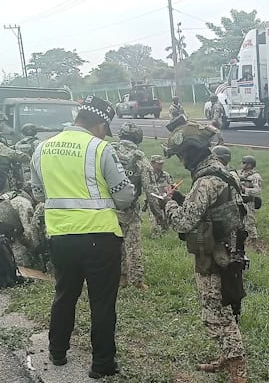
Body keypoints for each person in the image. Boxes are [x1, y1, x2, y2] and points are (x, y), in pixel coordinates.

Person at [30, 95, 134, 380]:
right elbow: (124, 196)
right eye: (105, 127)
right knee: (101, 302)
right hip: (100, 238)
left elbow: (39, 193)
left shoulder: (41, 148)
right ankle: (102, 364)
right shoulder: (100, 149)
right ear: (100, 123)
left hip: (61, 237)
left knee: (64, 294)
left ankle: (57, 351)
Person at [162, 122, 248, 383]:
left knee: (216, 314)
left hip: (216, 256)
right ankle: (227, 357)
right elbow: (207, 209)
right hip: (227, 251)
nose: (180, 159)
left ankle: (238, 369)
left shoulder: (206, 180)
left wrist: (167, 204)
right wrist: (182, 200)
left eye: (181, 154)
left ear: (192, 152)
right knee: (225, 308)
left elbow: (183, 223)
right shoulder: (220, 170)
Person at [112, 122, 149, 290]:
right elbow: (149, 187)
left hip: (109, 208)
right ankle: (137, 280)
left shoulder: (108, 151)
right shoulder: (140, 158)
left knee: (114, 245)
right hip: (130, 210)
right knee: (133, 246)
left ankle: (121, 277)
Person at [144, 155, 173, 238]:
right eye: (158, 164)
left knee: (165, 224)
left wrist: (169, 190)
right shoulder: (147, 176)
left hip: (164, 200)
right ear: (152, 163)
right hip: (153, 201)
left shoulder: (166, 175)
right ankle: (155, 236)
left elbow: (171, 186)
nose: (161, 165)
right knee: (155, 223)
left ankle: (165, 236)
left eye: (162, 164)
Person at [239, 155, 263, 252]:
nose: (243, 165)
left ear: (250, 165)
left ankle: (254, 243)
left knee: (250, 223)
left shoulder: (255, 176)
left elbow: (257, 191)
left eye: (245, 163)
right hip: (239, 201)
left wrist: (245, 189)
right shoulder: (239, 173)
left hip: (249, 202)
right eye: (243, 162)